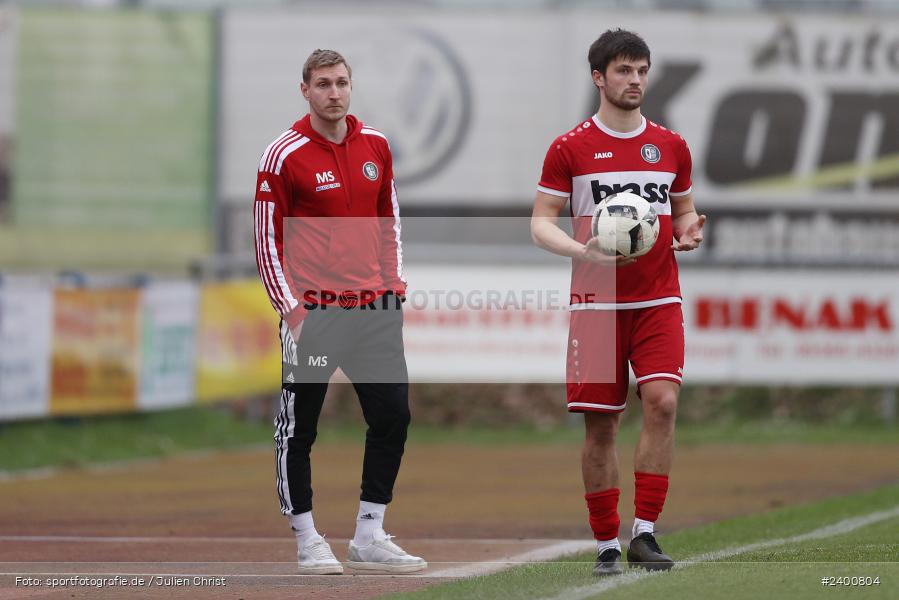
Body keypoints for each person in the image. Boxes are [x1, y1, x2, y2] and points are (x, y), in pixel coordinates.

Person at [530, 29, 706, 576]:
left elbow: (683, 213)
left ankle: (645, 534)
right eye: (624, 71)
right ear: (598, 77)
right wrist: (581, 249)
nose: (634, 81)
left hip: (658, 298)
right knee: (601, 426)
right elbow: (540, 224)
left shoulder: (671, 146)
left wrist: (690, 230)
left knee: (663, 403)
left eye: (641, 71)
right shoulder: (570, 147)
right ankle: (607, 541)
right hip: (596, 304)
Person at [253, 49, 426, 575]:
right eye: (323, 84)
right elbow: (265, 241)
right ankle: (307, 537)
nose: (334, 92)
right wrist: (294, 311)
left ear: (352, 87)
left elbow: (387, 218)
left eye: (342, 83)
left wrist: (392, 287)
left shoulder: (376, 145)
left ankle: (369, 534)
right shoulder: (283, 155)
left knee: (393, 415)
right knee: (298, 429)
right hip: (315, 315)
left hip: (373, 309)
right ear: (305, 90)